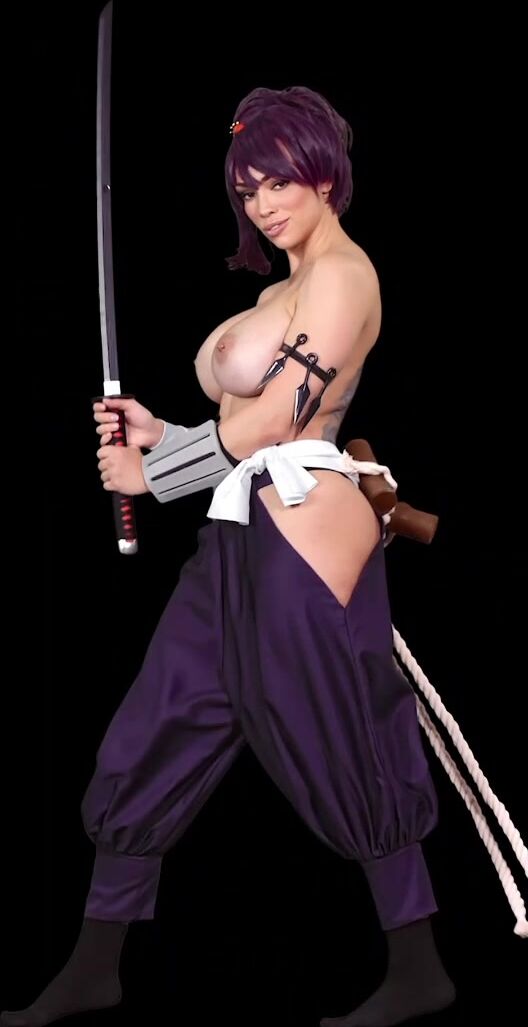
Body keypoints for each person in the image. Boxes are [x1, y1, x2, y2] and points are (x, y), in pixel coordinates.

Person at [1, 85, 457, 1027]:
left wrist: (155, 471)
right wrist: (159, 437)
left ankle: (419, 968)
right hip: (238, 530)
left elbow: (279, 421)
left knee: (339, 727)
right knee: (158, 720)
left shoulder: (344, 277)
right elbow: (237, 431)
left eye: (280, 179)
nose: (263, 202)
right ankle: (95, 963)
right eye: (248, 188)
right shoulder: (278, 292)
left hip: (305, 531)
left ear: (324, 172)